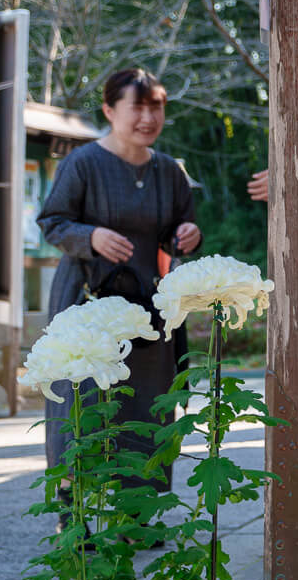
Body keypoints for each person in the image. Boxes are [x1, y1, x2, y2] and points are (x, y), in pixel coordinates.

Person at [37, 67, 202, 493]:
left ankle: (140, 512)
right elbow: (52, 222)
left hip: (147, 306)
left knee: (149, 403)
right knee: (83, 399)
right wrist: (90, 235)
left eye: (156, 107)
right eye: (138, 107)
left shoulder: (170, 171)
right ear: (110, 110)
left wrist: (188, 235)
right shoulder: (83, 163)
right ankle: (79, 513)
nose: (148, 117)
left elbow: (179, 229)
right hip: (84, 300)